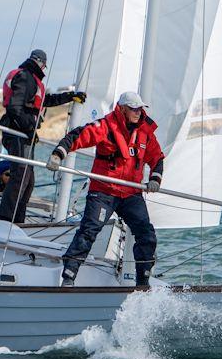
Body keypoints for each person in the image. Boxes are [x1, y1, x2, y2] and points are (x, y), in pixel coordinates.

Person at [46, 92, 164, 287]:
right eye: (134, 109)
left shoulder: (145, 133)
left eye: (140, 108)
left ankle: (142, 283)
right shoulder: (106, 126)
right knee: (89, 231)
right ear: (123, 109)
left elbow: (157, 158)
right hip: (104, 190)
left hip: (130, 193)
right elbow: (77, 136)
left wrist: (155, 179)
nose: (138, 112)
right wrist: (58, 155)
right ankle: (68, 276)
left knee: (146, 234)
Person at [0, 48, 87, 223]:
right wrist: (29, 129)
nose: (44, 69)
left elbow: (46, 100)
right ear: (40, 63)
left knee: (28, 181)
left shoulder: (31, 78)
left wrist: (71, 96)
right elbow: (15, 108)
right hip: (17, 132)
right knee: (20, 176)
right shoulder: (25, 77)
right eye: (44, 66)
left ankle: (17, 221)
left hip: (23, 133)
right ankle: (5, 220)